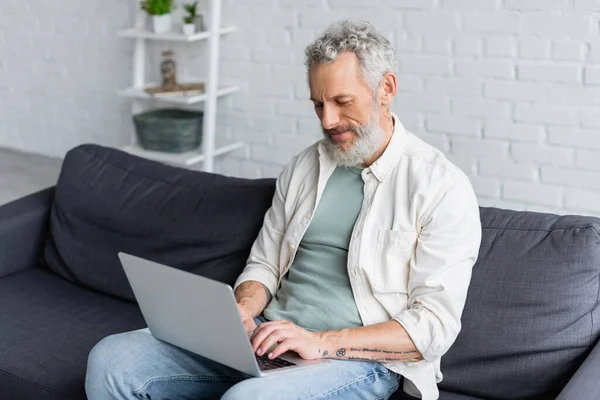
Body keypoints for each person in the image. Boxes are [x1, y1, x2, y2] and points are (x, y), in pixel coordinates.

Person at [85, 19, 482, 400]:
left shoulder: (440, 186)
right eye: (318, 105)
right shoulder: (305, 167)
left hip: (361, 362)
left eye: (343, 102)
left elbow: (433, 327)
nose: (328, 121)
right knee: (111, 360)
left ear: (386, 88)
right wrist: (242, 310)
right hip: (268, 337)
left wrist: (320, 343)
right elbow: (265, 266)